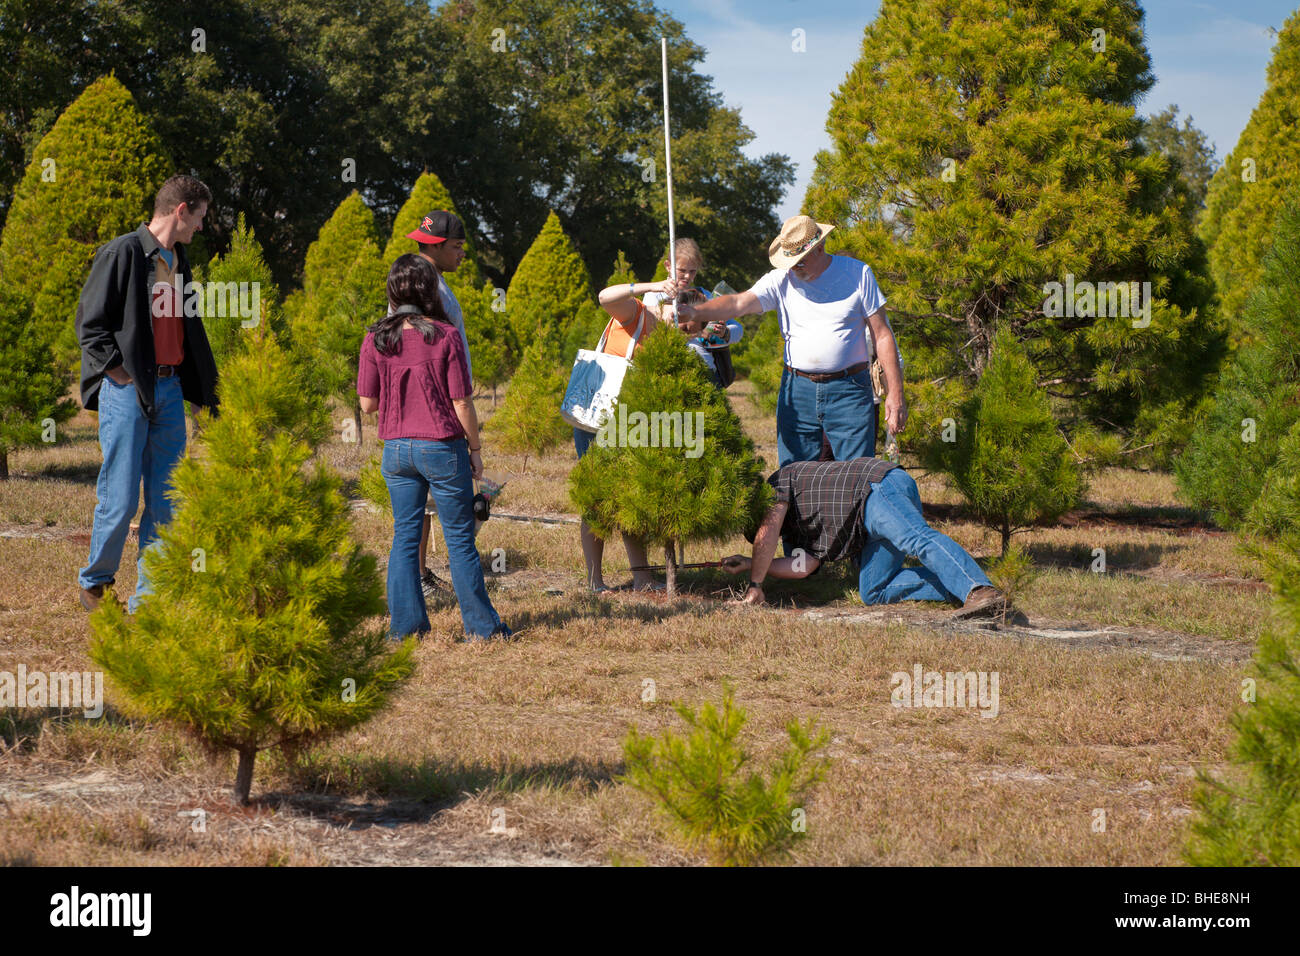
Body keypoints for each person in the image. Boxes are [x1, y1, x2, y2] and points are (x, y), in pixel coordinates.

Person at [76, 174, 219, 613]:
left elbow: (189, 332)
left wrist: (202, 393)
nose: (201, 228)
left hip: (171, 389)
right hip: (128, 390)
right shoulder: (123, 252)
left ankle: (149, 600)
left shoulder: (179, 261)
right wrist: (120, 376)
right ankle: (95, 583)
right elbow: (90, 325)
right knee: (119, 499)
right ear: (181, 211)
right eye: (199, 218)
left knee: (165, 499)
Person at [357, 254, 510, 641]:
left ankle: (405, 628)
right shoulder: (445, 335)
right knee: (459, 539)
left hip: (396, 449)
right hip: (441, 446)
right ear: (429, 290)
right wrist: (475, 449)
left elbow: (367, 405)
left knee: (405, 536)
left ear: (392, 290)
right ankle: (482, 629)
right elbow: (462, 401)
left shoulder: (374, 338)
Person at [678, 215, 906, 466]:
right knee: (793, 475)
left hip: (850, 391)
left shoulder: (857, 274)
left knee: (857, 475)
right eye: (791, 261)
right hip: (798, 390)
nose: (795, 267)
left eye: (801, 260)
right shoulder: (780, 279)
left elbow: (882, 335)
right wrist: (698, 312)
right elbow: (737, 302)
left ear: (820, 247)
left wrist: (895, 394)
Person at [722, 457, 1013, 620]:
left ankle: (980, 590)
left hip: (877, 488)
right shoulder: (799, 529)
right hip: (867, 524)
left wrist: (755, 586)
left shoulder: (778, 483)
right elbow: (804, 566)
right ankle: (961, 588)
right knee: (874, 591)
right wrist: (750, 563)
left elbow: (768, 531)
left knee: (916, 539)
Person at [576, 271, 688, 592]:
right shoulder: (635, 313)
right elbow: (604, 296)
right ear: (659, 303)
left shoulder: (670, 337)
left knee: (632, 493)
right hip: (599, 417)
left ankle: (641, 576)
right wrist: (650, 286)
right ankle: (595, 580)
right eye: (672, 311)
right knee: (596, 498)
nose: (677, 321)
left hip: (633, 421)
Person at [402, 210, 475, 602]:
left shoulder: (427, 281)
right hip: (439, 407)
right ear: (436, 245)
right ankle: (473, 614)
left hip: (428, 407)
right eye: (458, 247)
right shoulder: (426, 288)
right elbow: (429, 351)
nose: (463, 254)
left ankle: (418, 577)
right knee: (451, 514)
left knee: (421, 504)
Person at [641, 237, 743, 388]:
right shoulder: (654, 296)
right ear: (668, 266)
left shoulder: (705, 296)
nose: (688, 276)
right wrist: (694, 332)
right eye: (682, 270)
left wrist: (724, 333)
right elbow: (647, 333)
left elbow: (738, 329)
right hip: (667, 373)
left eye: (692, 271)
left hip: (705, 372)